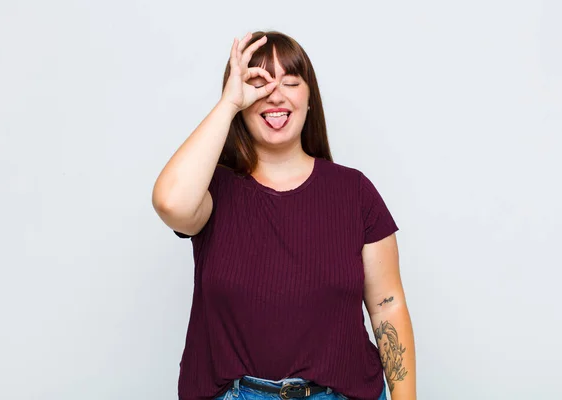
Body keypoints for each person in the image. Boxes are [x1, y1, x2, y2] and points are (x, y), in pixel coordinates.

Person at [152, 31, 416, 400]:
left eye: (290, 82)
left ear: (310, 100)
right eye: (258, 84)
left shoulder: (354, 193)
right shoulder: (212, 191)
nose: (275, 95)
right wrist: (228, 104)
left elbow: (388, 306)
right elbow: (169, 203)